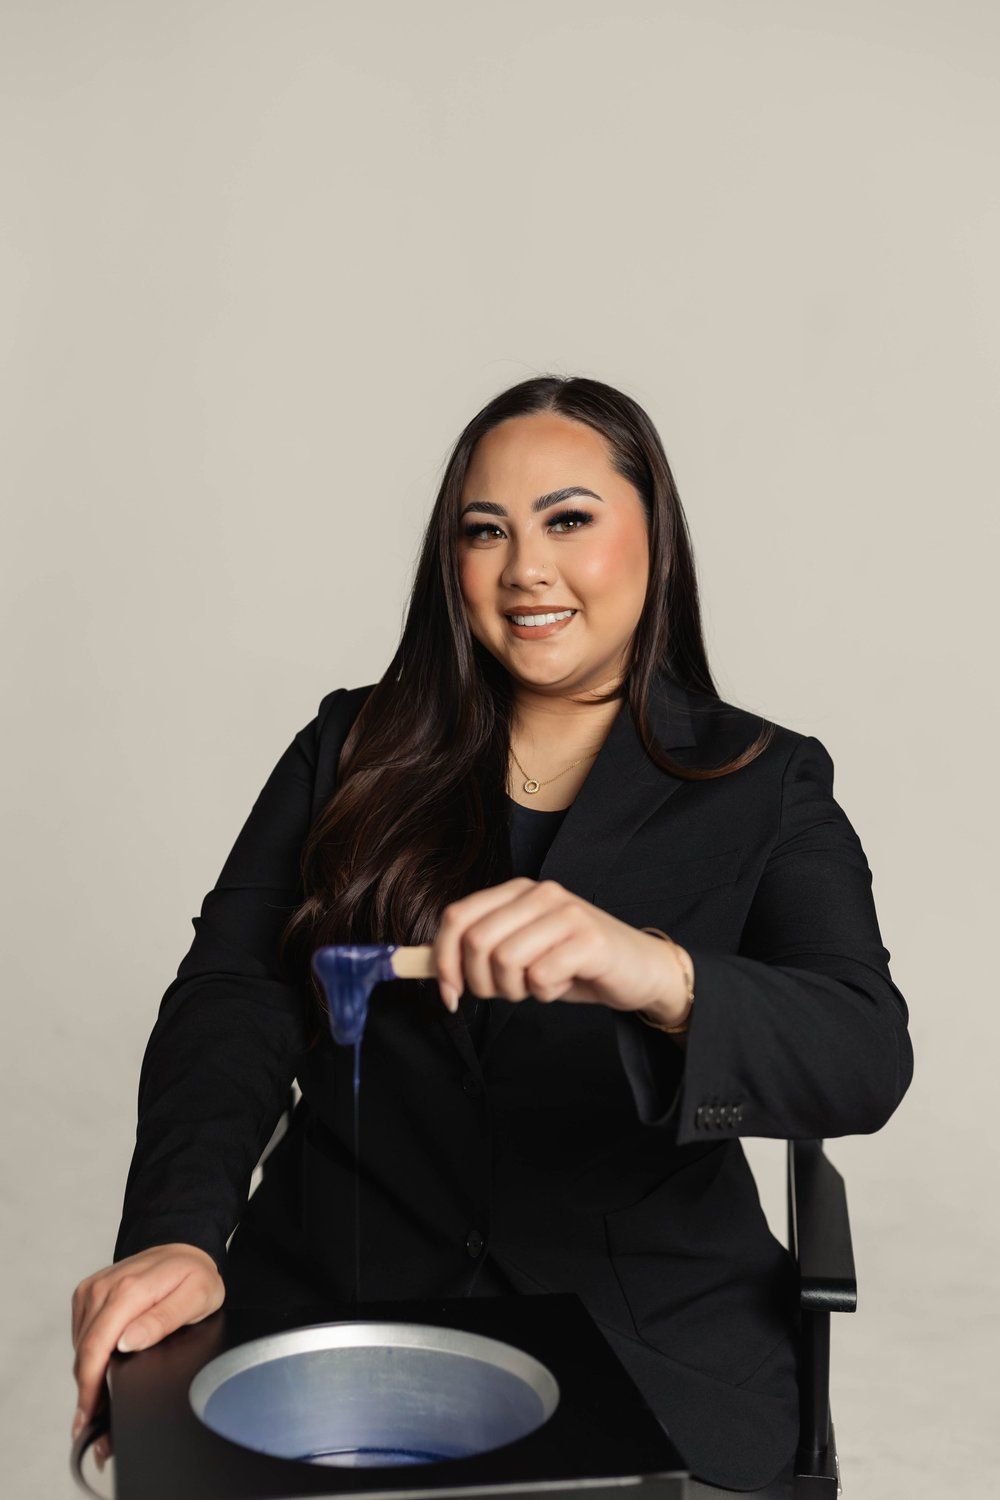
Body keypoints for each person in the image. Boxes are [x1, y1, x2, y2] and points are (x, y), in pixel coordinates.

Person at [70, 375, 914, 1492]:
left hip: (645, 1338)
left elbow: (863, 1052)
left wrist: (654, 973)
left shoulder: (766, 780)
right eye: (485, 532)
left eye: (568, 521)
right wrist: (177, 1232)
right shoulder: (347, 747)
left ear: (654, 538)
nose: (525, 570)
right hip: (339, 1305)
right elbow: (232, 996)